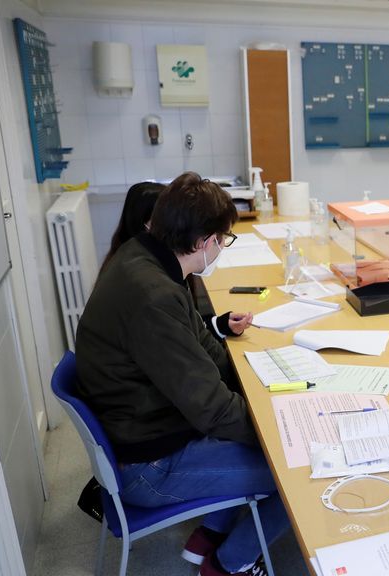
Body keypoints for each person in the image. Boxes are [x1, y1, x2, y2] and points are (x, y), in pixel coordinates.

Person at [75, 172, 287, 576]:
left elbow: (203, 348)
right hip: (149, 467)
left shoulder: (148, 260)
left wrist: (254, 385)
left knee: (256, 434)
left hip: (150, 430)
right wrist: (277, 434)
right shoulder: (153, 295)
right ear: (204, 242)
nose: (222, 247)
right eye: (224, 239)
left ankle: (208, 534)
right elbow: (211, 410)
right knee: (292, 471)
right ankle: (228, 564)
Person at [101, 181, 253, 339]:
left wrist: (219, 325)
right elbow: (185, 351)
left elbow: (187, 330)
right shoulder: (154, 292)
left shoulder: (146, 262)